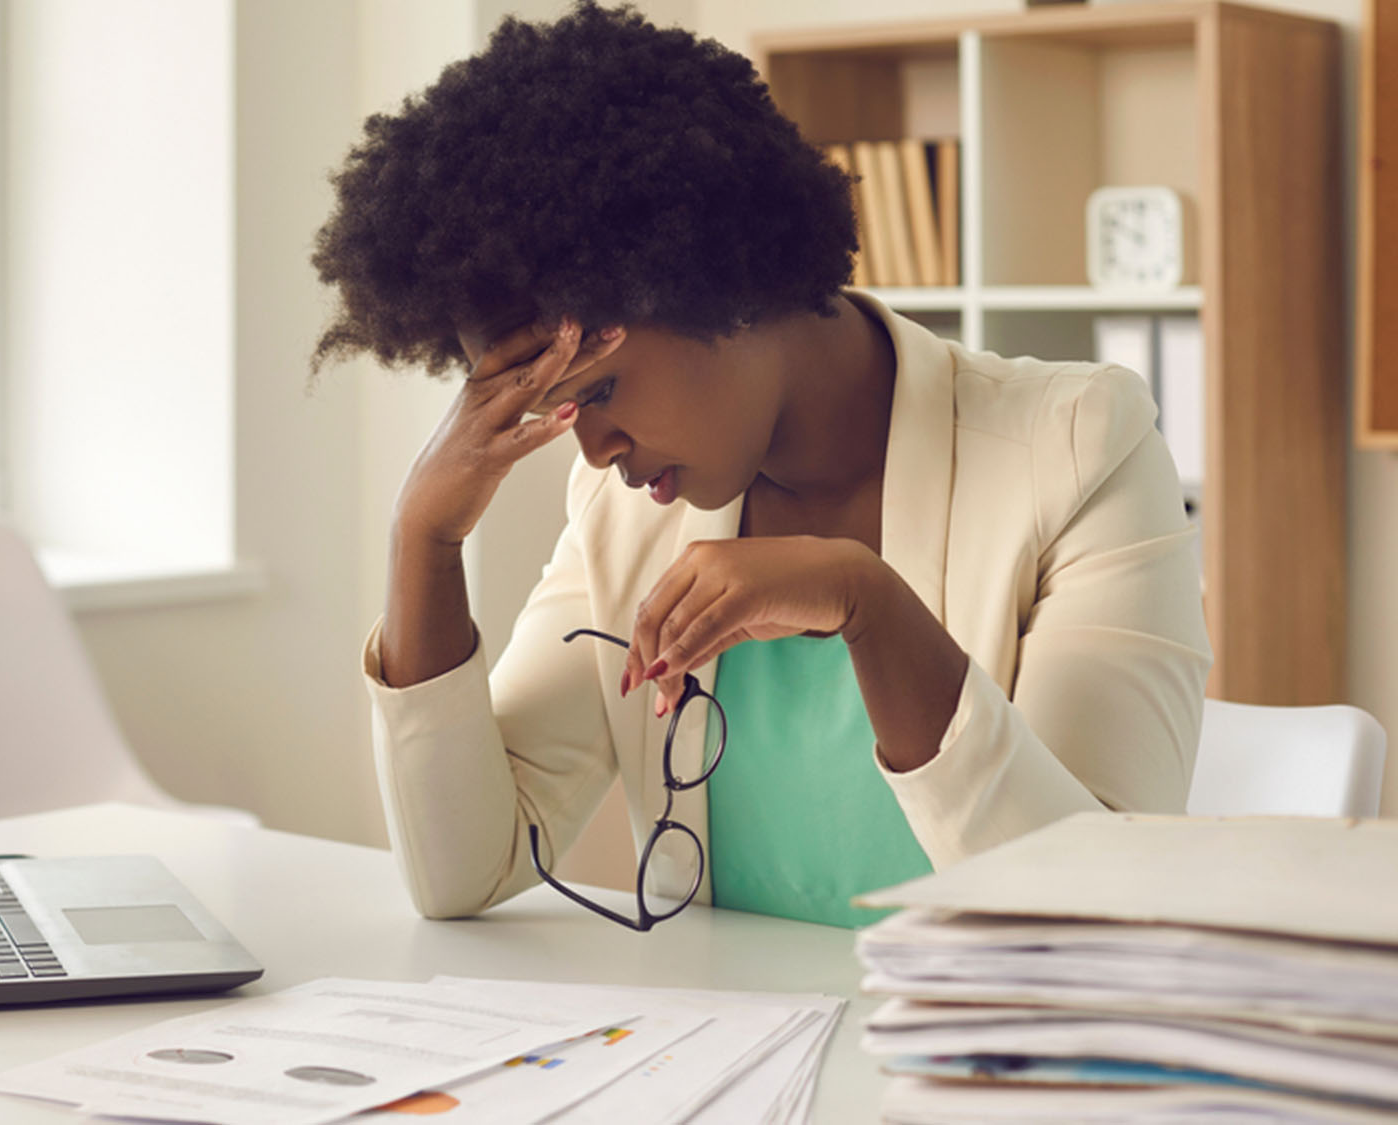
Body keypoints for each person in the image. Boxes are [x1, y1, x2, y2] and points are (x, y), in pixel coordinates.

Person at [310, 2, 1209, 928]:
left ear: (718, 281)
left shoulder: (1080, 448)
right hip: (730, 1060)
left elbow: (1097, 911)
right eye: (558, 409)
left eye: (603, 389)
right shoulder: (626, 511)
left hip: (976, 1060)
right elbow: (463, 871)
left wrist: (871, 604)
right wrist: (423, 537)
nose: (591, 448)